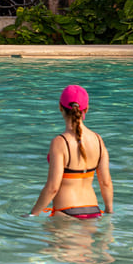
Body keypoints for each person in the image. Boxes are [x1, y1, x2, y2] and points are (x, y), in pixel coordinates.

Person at [29, 84, 113, 219]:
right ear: (87, 108)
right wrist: (109, 212)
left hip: (66, 213)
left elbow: (53, 187)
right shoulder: (98, 140)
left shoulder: (60, 142)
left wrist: (32, 214)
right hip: (94, 212)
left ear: (60, 107)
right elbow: (106, 182)